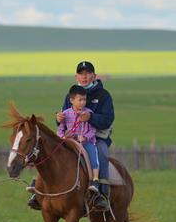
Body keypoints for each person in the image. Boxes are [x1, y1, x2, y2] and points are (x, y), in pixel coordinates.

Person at [28, 60, 116, 210]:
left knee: (101, 152)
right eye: (81, 74)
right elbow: (65, 118)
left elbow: (108, 119)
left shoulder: (103, 95)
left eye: (88, 73)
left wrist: (91, 118)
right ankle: (39, 190)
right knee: (49, 151)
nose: (84, 76)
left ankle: (101, 193)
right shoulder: (70, 94)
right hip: (71, 137)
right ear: (76, 76)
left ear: (94, 75)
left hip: (95, 137)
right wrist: (58, 119)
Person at [56, 85, 108, 210]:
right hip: (69, 142)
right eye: (80, 100)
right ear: (71, 100)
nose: (83, 102)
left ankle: (95, 180)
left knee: (93, 153)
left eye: (84, 100)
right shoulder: (66, 114)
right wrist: (62, 137)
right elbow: (60, 129)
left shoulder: (89, 113)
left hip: (85, 142)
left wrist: (85, 137)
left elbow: (92, 130)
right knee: (53, 153)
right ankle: (40, 184)